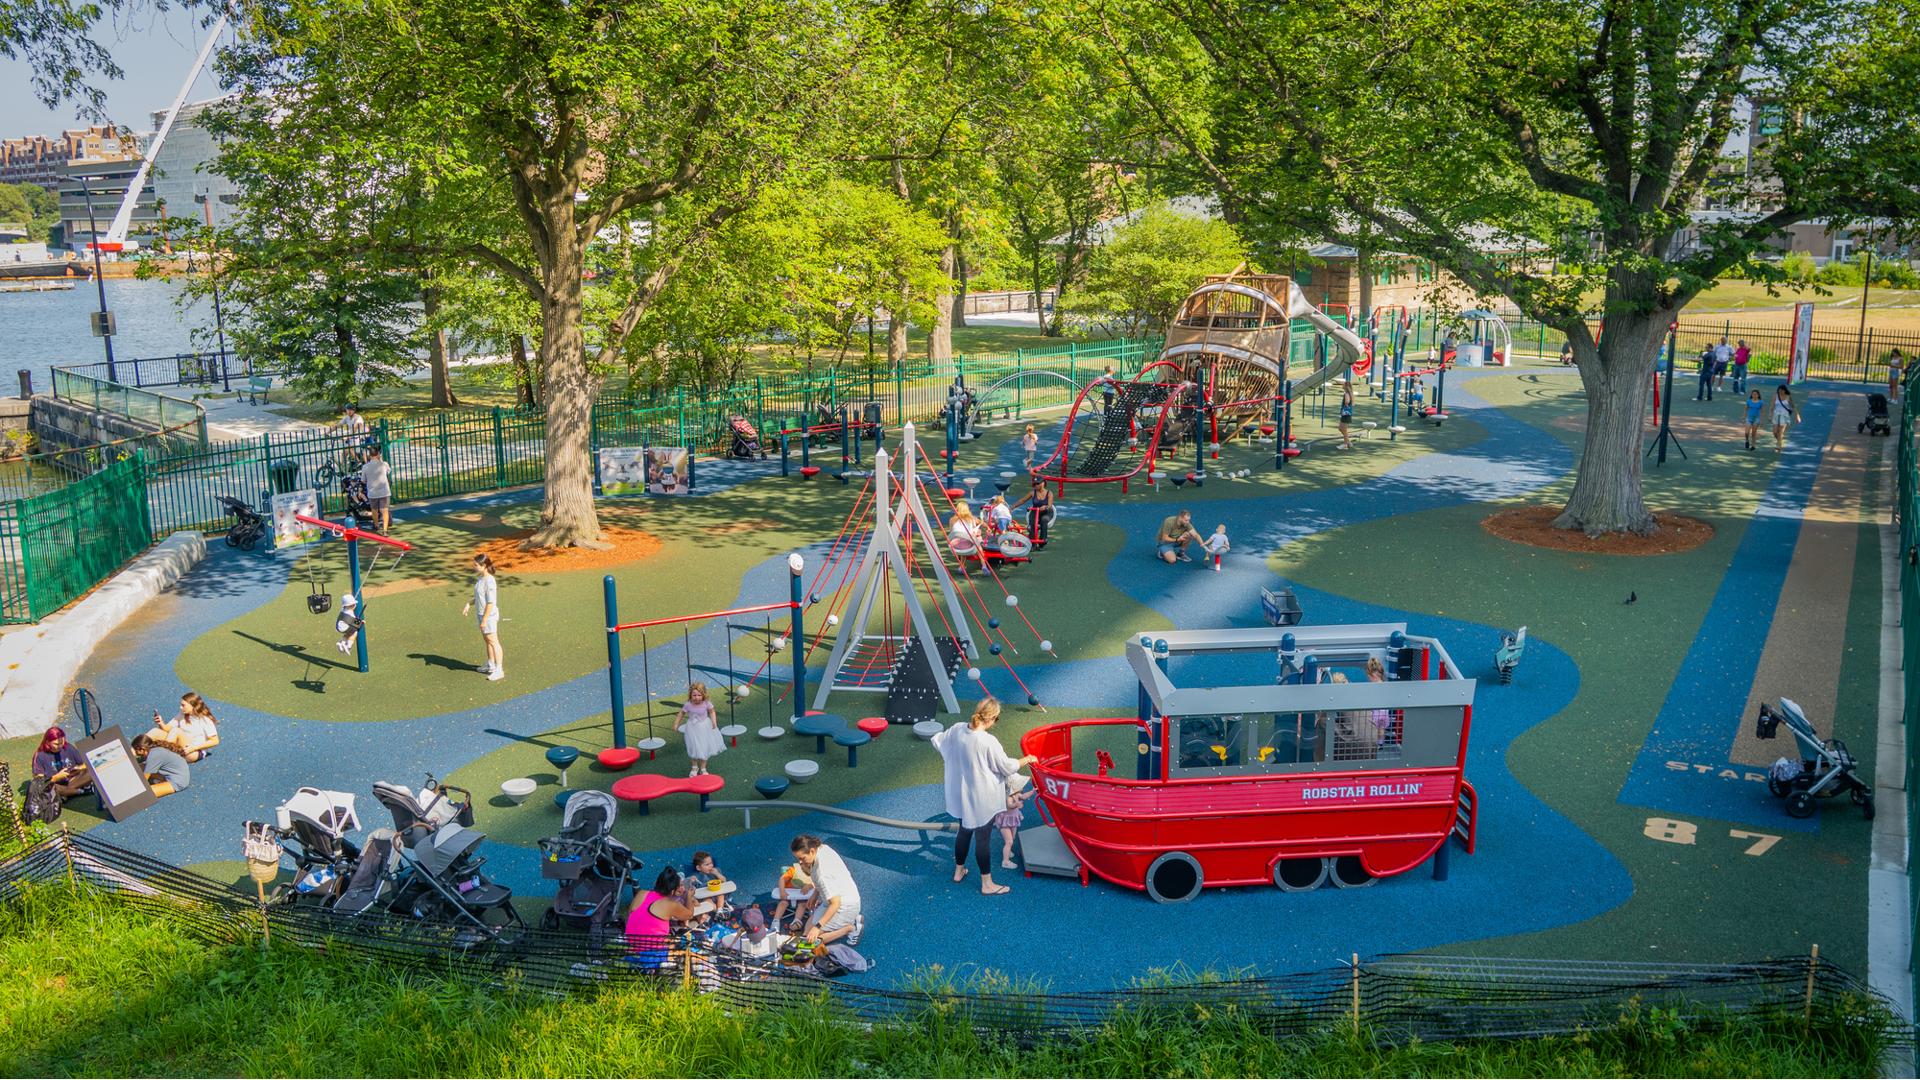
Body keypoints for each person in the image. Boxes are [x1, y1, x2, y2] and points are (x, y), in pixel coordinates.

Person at [931, 699, 1036, 896]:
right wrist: (1027, 759)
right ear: (993, 719)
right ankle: (987, 884)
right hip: (981, 797)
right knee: (982, 838)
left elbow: (938, 741)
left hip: (960, 794)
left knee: (964, 830)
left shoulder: (957, 729)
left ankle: (959, 870)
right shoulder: (988, 741)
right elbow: (1006, 767)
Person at [789, 834, 862, 945]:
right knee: (807, 932)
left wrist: (818, 927)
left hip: (844, 906)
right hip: (845, 896)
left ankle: (850, 928)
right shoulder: (822, 848)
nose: (800, 862)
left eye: (802, 858)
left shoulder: (822, 874)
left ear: (812, 851)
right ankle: (849, 920)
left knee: (811, 941)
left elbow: (835, 904)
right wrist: (815, 894)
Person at [624, 865, 702, 969]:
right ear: (673, 891)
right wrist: (689, 896)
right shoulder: (670, 904)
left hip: (631, 942)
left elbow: (631, 912)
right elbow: (689, 914)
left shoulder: (642, 893)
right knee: (685, 943)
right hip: (651, 951)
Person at [461, 553, 504, 681]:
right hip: (481, 614)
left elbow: (491, 603)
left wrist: (485, 620)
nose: (473, 567)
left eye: (475, 565)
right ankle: (490, 664)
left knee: (493, 641)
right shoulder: (480, 578)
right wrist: (469, 603)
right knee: (487, 640)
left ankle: (499, 669)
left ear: (484, 565)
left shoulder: (490, 581)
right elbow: (479, 597)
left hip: (489, 616)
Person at [148, 691, 219, 762]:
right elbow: (168, 729)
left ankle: (161, 758)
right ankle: (138, 751)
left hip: (193, 752)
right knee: (155, 731)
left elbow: (215, 741)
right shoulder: (182, 714)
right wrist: (161, 723)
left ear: (193, 705)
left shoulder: (205, 720)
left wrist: (194, 748)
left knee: (176, 731)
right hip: (180, 746)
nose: (180, 707)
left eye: (183, 705)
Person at [676, 681, 725, 777]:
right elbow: (681, 713)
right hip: (692, 728)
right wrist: (676, 723)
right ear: (690, 695)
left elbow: (712, 712)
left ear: (703, 695)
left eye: (699, 695)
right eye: (694, 695)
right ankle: (694, 767)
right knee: (693, 747)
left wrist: (714, 721)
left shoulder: (706, 703)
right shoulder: (688, 704)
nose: (697, 697)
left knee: (704, 747)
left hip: (704, 727)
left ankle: (703, 768)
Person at [31, 726, 91, 799]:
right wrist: (57, 777)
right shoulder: (40, 755)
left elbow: (85, 764)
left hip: (72, 780)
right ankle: (80, 791)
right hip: (54, 784)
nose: (60, 746)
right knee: (49, 787)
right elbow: (40, 781)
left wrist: (78, 769)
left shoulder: (68, 747)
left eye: (61, 742)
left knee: (91, 772)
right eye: (56, 744)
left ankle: (66, 793)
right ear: (47, 742)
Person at [995, 772, 1034, 871]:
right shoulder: (1008, 796)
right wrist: (1017, 805)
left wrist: (1033, 791)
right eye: (1020, 785)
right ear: (1013, 787)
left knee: (1012, 837)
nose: (1022, 787)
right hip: (1005, 821)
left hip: (1012, 820)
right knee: (1009, 841)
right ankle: (1006, 861)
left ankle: (1008, 851)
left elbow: (1024, 796)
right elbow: (1009, 805)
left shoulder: (1016, 793)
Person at [359, 445, 392, 533]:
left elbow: (363, 480)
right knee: (385, 510)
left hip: (372, 492)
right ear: (378, 455)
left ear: (369, 456)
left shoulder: (365, 467)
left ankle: (376, 525)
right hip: (384, 491)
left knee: (374, 510)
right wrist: (380, 459)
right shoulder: (384, 464)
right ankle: (385, 530)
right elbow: (388, 471)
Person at [1022, 474, 1055, 548]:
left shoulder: (1049, 493)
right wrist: (1012, 507)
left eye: (1037, 483)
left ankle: (1042, 541)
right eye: (1035, 484)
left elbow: (1050, 505)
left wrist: (1045, 507)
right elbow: (1023, 500)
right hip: (1035, 511)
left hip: (1046, 511)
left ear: (1043, 483)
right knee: (1032, 521)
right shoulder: (1033, 493)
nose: (1036, 485)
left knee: (1044, 519)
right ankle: (1032, 544)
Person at [1772, 384, 1799, 451]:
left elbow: (1793, 406)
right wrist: (1770, 414)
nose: (1780, 392)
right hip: (1776, 414)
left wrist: (1797, 416)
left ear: (1784, 390)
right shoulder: (1775, 396)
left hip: (1785, 416)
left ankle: (1779, 446)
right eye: (1779, 390)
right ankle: (1779, 441)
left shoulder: (1788, 397)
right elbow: (1772, 405)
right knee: (1775, 432)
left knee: (1781, 431)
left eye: (1782, 390)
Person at [1338, 381, 1355, 449]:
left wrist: (1346, 404)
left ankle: (1345, 444)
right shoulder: (1350, 393)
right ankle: (1348, 442)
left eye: (1343, 384)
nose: (1342, 385)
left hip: (1345, 414)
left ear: (1346, 386)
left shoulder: (1346, 394)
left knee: (1343, 429)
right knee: (1341, 428)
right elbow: (1353, 404)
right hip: (1347, 414)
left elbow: (1347, 401)